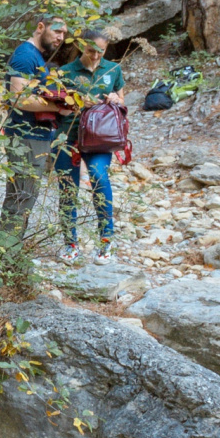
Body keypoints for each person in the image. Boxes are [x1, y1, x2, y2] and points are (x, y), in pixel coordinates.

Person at [54, 27, 126, 263]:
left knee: (98, 176)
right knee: (68, 187)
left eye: (101, 51)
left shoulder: (113, 69)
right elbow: (56, 106)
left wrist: (115, 99)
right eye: (90, 50)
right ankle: (70, 243)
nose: (95, 56)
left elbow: (122, 101)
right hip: (68, 135)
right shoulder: (65, 72)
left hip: (100, 138)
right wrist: (76, 103)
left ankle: (106, 241)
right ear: (80, 46)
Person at [0, 15, 71, 237]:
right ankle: (7, 254)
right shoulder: (25, 55)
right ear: (41, 27)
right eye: (57, 31)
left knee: (23, 197)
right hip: (25, 137)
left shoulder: (36, 57)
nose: (60, 37)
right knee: (21, 198)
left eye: (64, 34)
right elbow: (18, 99)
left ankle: (7, 251)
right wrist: (59, 107)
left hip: (35, 137)